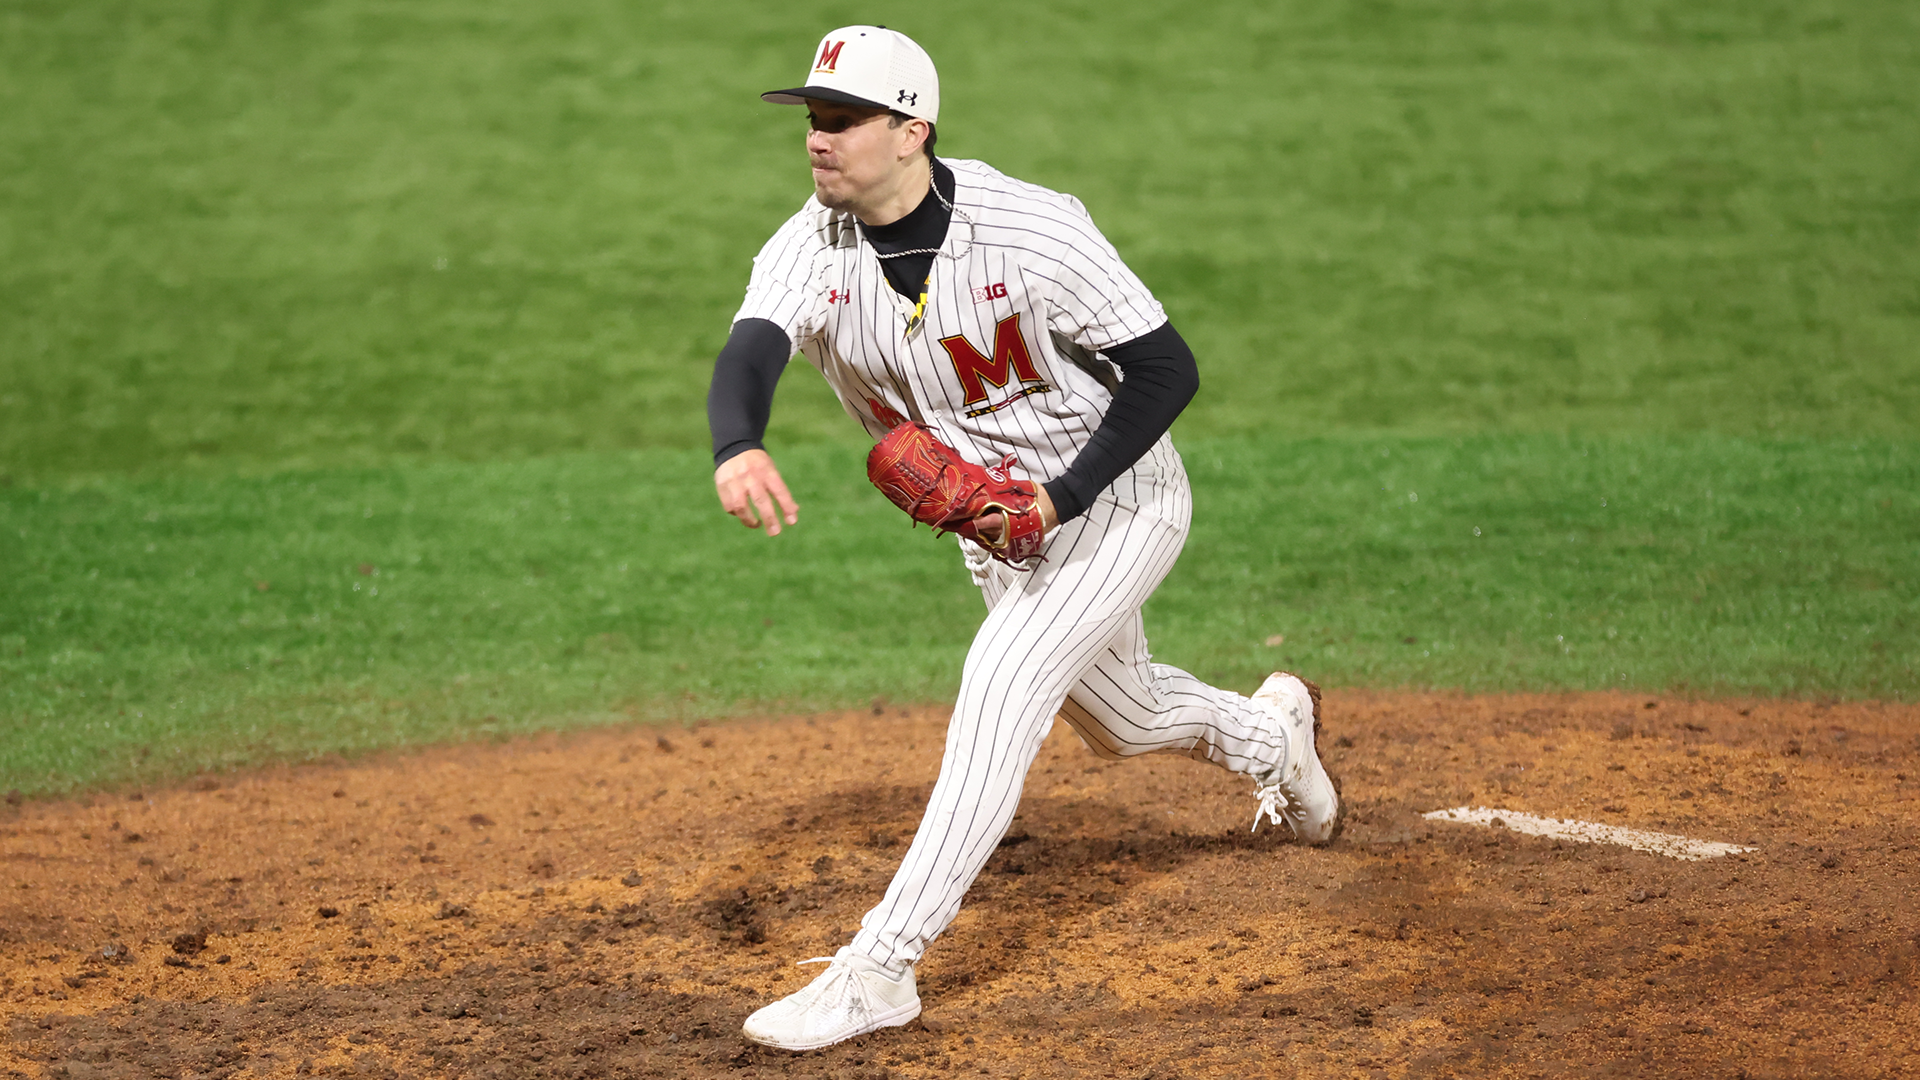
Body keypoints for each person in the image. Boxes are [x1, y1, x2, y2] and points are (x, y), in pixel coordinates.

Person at [707, 26, 1342, 1052]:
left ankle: (880, 969)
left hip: (1116, 497)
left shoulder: (1032, 229)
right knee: (1125, 720)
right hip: (997, 533)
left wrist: (1063, 492)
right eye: (811, 121)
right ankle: (1276, 736)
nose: (816, 140)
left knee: (1003, 683)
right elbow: (751, 350)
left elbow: (1167, 369)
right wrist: (738, 444)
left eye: (840, 120)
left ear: (911, 129)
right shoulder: (809, 250)